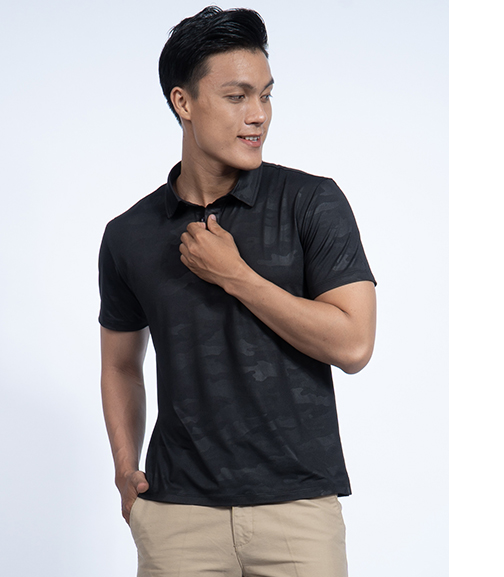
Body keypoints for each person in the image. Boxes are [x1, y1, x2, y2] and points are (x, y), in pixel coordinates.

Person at [98, 6, 376, 577]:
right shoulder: (129, 234)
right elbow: (120, 364)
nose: (259, 115)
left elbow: (353, 345)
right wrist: (125, 470)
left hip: (297, 510)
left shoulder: (311, 202)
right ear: (183, 102)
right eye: (237, 97)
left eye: (266, 96)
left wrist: (237, 276)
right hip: (177, 516)